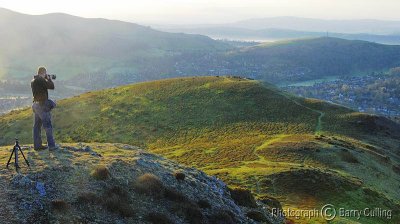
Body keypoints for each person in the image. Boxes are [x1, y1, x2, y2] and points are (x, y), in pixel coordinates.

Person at [31, 66, 58, 151]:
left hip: (36, 105)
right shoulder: (41, 80)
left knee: (37, 127)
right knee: (48, 126)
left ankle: (37, 145)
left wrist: (46, 78)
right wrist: (49, 79)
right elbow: (51, 86)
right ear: (43, 73)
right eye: (45, 73)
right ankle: (52, 146)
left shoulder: (33, 81)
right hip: (42, 105)